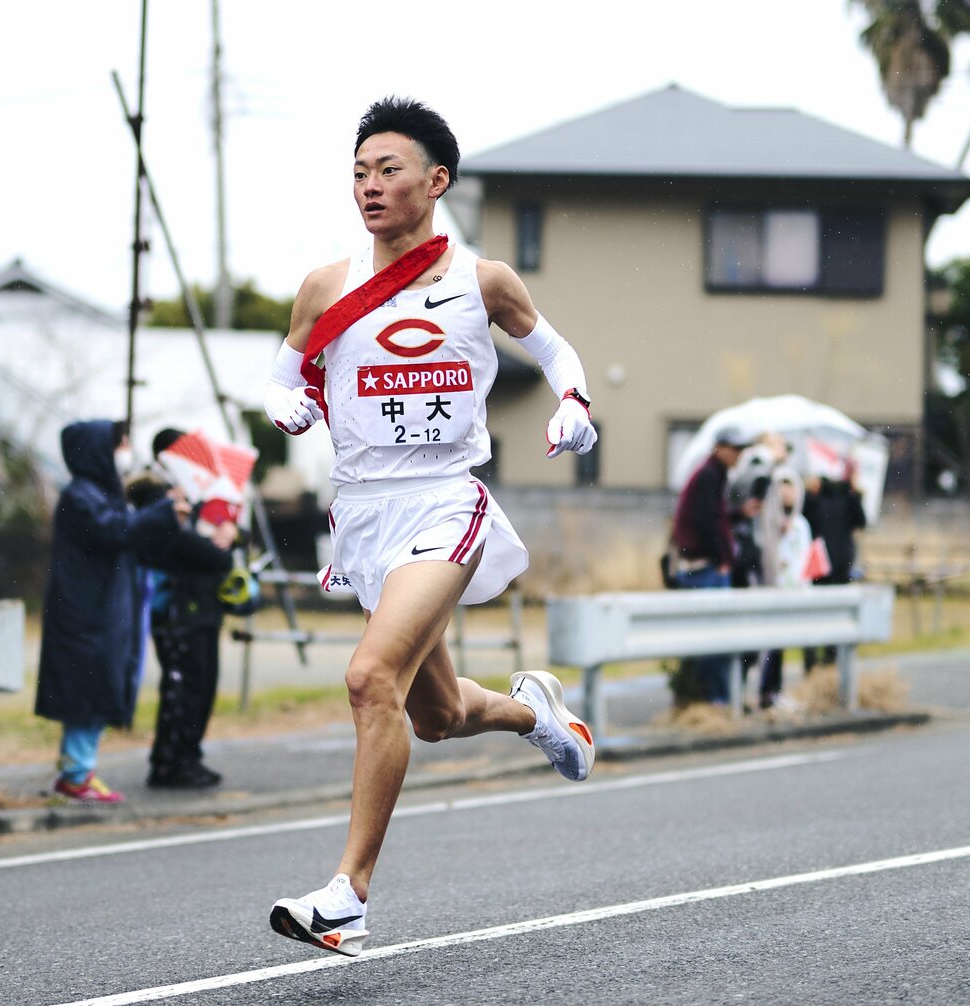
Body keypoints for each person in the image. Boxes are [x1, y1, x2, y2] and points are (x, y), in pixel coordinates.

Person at [259, 96, 599, 956]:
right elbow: (282, 374)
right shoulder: (325, 287)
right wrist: (291, 406)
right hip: (364, 517)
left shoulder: (481, 280)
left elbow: (556, 352)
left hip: (447, 499)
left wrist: (576, 405)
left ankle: (349, 897)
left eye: (389, 170)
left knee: (371, 677)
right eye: (360, 173)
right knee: (437, 714)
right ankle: (538, 714)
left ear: (435, 181)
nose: (370, 187)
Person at [35, 420, 187, 803]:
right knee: (87, 693)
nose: (126, 451)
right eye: (120, 443)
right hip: (85, 615)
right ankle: (75, 776)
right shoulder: (81, 496)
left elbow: (124, 529)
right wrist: (165, 510)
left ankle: (78, 772)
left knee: (92, 693)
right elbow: (115, 531)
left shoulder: (96, 493)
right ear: (98, 450)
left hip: (97, 612)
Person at [127, 430, 241, 790]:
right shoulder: (155, 494)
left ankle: (184, 758)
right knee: (184, 687)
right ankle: (171, 764)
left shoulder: (203, 493)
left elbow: (231, 532)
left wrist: (234, 534)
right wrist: (218, 552)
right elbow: (179, 544)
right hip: (176, 608)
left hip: (202, 605)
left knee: (201, 686)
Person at [667, 425, 754, 703]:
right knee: (713, 640)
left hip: (704, 566)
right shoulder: (709, 475)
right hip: (705, 568)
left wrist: (739, 514)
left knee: (710, 639)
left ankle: (707, 698)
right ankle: (714, 700)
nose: (738, 455)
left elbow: (715, 517)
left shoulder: (713, 474)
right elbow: (707, 522)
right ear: (720, 447)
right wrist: (721, 560)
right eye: (735, 449)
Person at [757, 465, 814, 709]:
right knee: (771, 645)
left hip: (796, 591)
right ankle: (767, 692)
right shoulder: (766, 522)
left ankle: (779, 690)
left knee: (787, 644)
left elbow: (805, 557)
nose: (786, 492)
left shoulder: (801, 524)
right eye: (781, 486)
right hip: (772, 590)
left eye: (790, 486)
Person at [802, 463, 867, 670]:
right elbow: (806, 520)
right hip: (818, 564)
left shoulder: (848, 495)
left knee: (835, 613)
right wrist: (809, 494)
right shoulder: (814, 495)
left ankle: (830, 661)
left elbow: (860, 521)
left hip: (840, 564)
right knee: (814, 613)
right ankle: (812, 662)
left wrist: (856, 493)